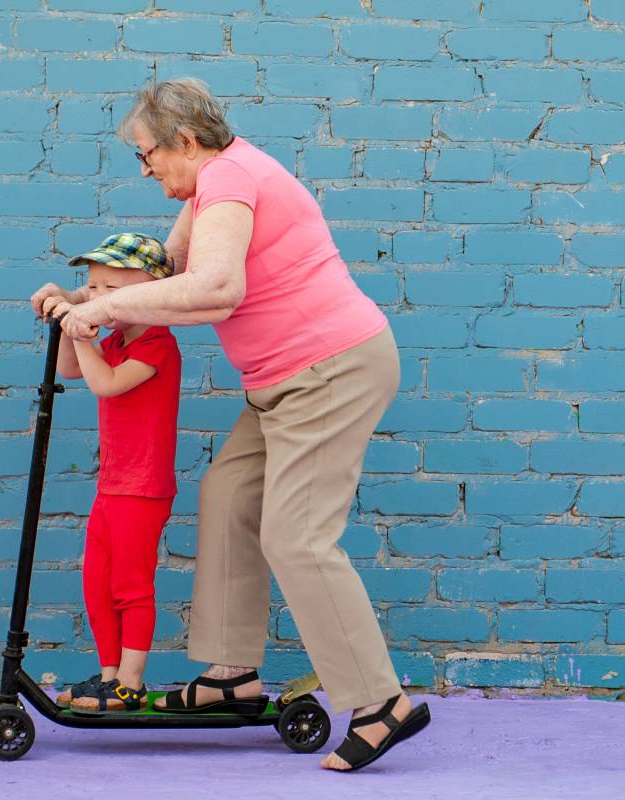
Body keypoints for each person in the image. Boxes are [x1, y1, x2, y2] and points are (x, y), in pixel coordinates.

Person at [28, 77, 427, 771]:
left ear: (186, 141)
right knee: (227, 497)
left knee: (297, 535)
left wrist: (110, 313)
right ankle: (229, 676)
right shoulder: (214, 184)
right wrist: (86, 297)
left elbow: (216, 289)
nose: (145, 168)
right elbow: (166, 271)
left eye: (148, 154)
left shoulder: (232, 180)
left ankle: (379, 702)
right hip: (281, 382)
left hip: (330, 370)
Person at [39, 232, 181, 714]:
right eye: (92, 287)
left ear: (150, 295)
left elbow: (105, 383)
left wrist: (79, 329)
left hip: (142, 488)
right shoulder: (117, 339)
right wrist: (67, 323)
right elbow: (71, 370)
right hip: (113, 484)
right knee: (97, 581)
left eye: (110, 289)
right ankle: (109, 676)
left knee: (131, 585)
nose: (96, 298)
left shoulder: (158, 344)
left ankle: (132, 683)